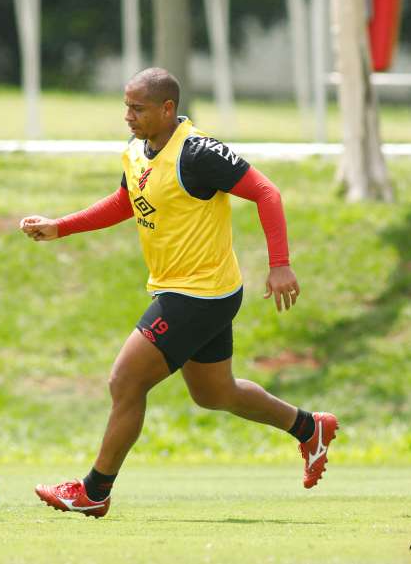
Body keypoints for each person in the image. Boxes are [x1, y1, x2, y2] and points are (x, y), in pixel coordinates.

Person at [22, 68, 338, 519]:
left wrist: (280, 264)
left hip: (200, 293)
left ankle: (94, 490)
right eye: (126, 107)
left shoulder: (198, 152)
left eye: (138, 108)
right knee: (215, 393)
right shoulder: (136, 152)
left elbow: (267, 192)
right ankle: (309, 427)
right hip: (186, 290)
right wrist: (61, 227)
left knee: (125, 380)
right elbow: (127, 201)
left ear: (168, 109)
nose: (128, 116)